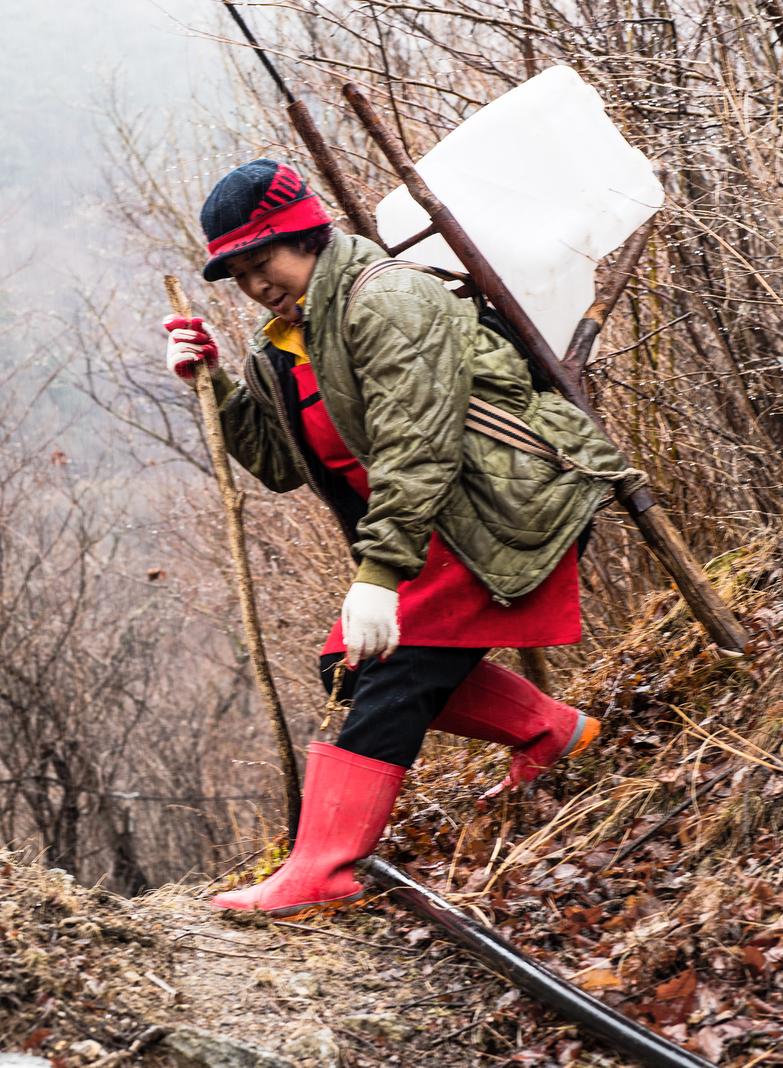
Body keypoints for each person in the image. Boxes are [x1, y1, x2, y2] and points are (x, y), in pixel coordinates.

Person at [164, 158, 628, 919]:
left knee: (389, 670)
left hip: (504, 504)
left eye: (263, 260)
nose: (255, 284)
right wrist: (216, 384)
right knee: (344, 667)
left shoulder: (388, 300)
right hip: (436, 523)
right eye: (239, 274)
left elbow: (419, 448)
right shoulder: (283, 344)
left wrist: (379, 577)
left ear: (307, 236)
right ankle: (553, 732)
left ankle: (323, 868)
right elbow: (281, 464)